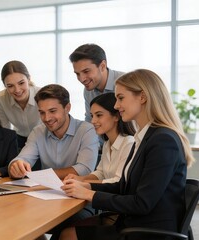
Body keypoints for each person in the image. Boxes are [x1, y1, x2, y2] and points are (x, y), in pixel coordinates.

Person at [59, 69, 195, 240]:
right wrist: (88, 187)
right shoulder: (145, 137)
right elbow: (124, 187)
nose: (116, 105)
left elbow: (142, 203)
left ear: (143, 97)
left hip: (147, 232)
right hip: (135, 224)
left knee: (67, 235)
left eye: (120, 98)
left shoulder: (162, 140)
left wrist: (89, 195)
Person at [8, 83, 99, 180]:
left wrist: (42, 175)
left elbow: (84, 169)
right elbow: (22, 159)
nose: (47, 118)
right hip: (45, 191)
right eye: (42, 112)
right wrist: (15, 167)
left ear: (67, 108)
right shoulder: (37, 132)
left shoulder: (87, 130)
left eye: (52, 111)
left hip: (78, 191)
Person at [65, 92, 135, 184]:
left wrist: (83, 183)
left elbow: (118, 181)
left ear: (116, 117)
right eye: (92, 116)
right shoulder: (107, 144)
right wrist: (80, 179)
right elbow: (100, 173)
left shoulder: (129, 144)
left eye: (99, 115)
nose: (93, 121)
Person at [69, 44, 125, 122]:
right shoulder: (88, 90)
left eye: (86, 71)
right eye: (77, 74)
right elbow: (90, 121)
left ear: (102, 66)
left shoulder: (126, 82)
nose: (82, 79)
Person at [0, 60, 42, 150]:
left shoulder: (41, 95)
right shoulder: (1, 98)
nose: (17, 90)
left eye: (21, 83)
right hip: (18, 138)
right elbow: (5, 130)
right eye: (10, 86)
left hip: (42, 137)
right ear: (5, 85)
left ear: (28, 79)